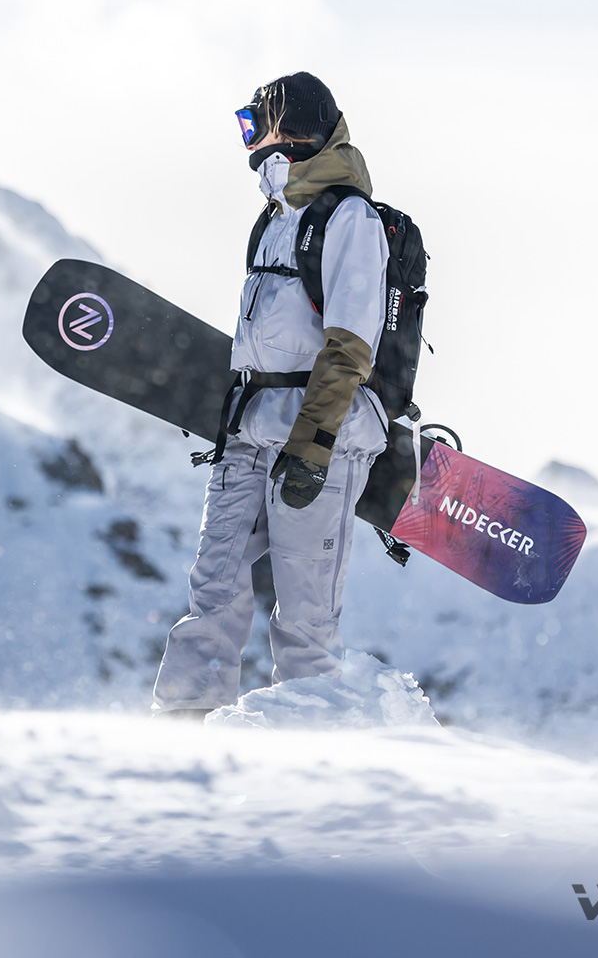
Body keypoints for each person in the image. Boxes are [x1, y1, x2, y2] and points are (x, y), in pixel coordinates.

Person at [152, 72, 389, 716]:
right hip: (250, 429)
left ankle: (303, 754)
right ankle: (182, 731)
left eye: (252, 123)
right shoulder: (274, 219)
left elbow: (349, 345)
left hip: (316, 437)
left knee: (305, 620)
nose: (247, 138)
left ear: (291, 128)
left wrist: (312, 447)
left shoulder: (349, 218)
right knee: (213, 591)